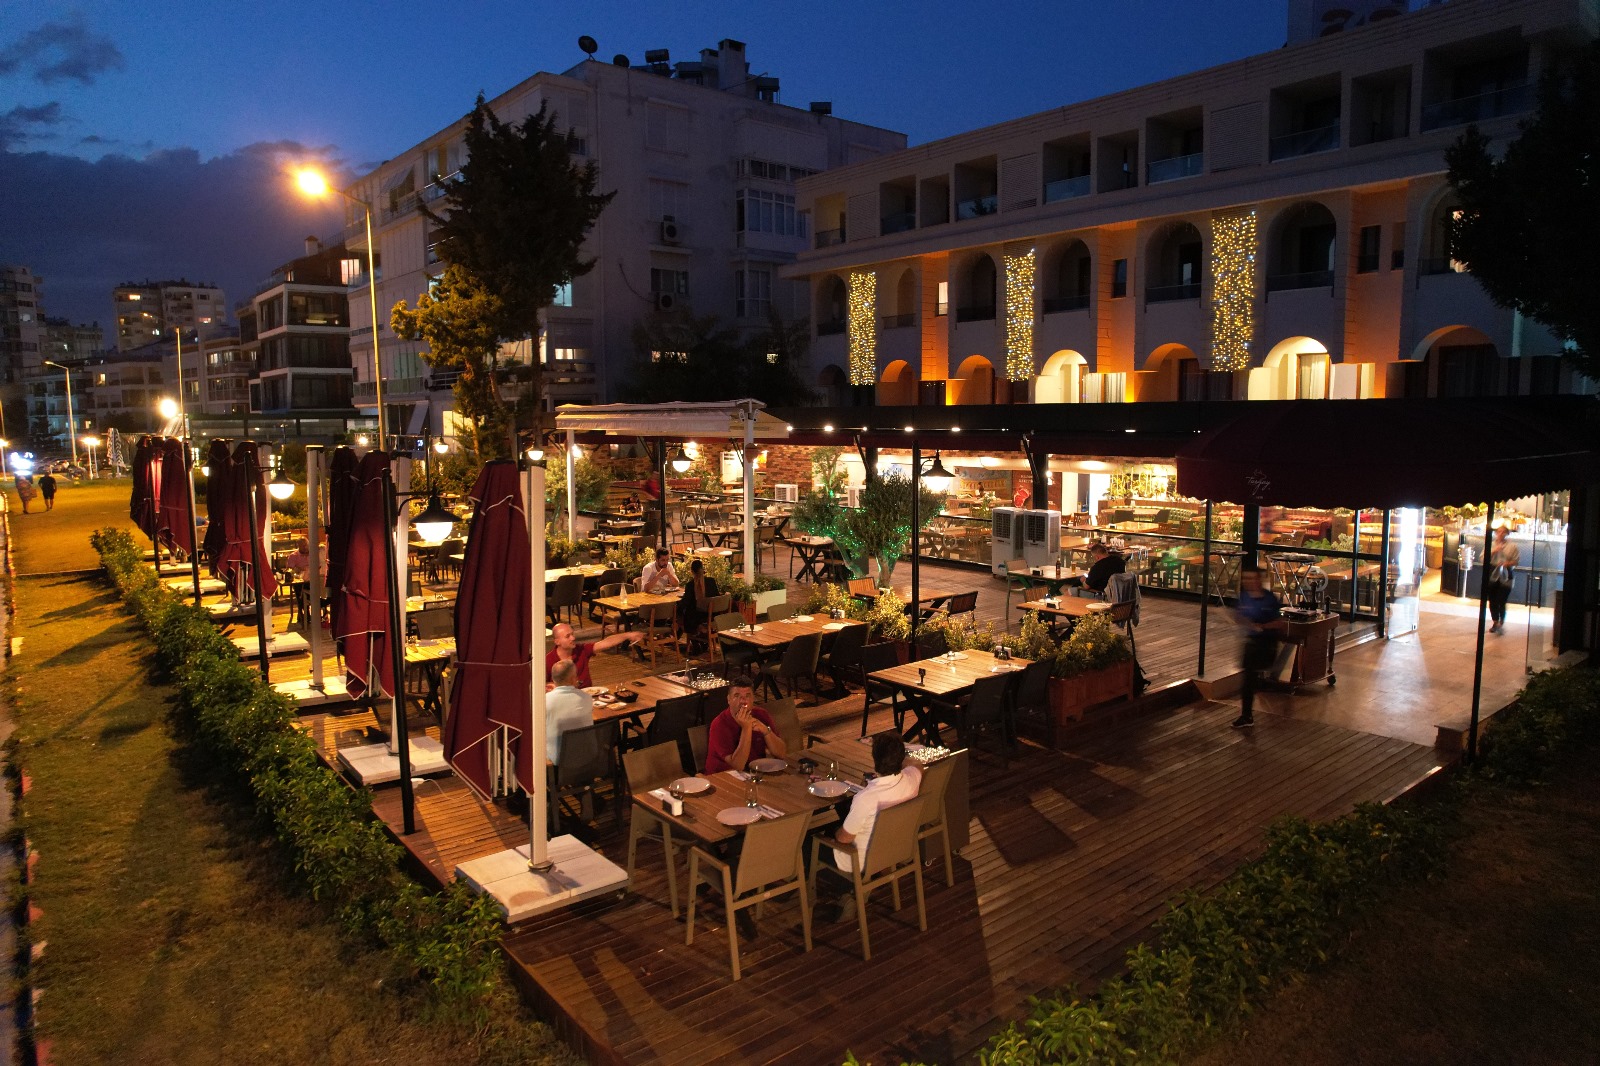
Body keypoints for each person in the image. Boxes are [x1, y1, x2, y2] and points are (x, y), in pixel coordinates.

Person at [1232, 564, 1283, 728]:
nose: (1247, 581)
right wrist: (1242, 621)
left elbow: (1279, 622)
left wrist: (1262, 626)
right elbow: (1239, 616)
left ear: (1259, 580)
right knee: (1248, 678)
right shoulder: (1244, 597)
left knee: (1251, 677)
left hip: (1266, 643)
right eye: (1245, 578)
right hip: (1251, 641)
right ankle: (1246, 715)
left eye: (1251, 578)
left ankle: (1248, 713)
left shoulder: (1270, 599)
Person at [705, 675, 787, 773]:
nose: (743, 701)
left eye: (747, 696)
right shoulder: (719, 724)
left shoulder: (761, 715)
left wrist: (766, 731)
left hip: (753, 772)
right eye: (737, 696)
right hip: (723, 776)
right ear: (728, 699)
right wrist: (746, 728)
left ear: (753, 699)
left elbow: (781, 754)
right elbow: (738, 765)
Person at [545, 620, 645, 688]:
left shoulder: (581, 650)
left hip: (588, 696)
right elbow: (542, 686)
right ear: (557, 641)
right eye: (568, 636)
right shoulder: (548, 660)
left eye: (572, 634)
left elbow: (607, 642)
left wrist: (628, 635)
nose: (573, 638)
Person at [545, 660, 595, 763]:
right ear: (573, 679)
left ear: (553, 679)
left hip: (558, 757)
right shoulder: (586, 698)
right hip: (586, 755)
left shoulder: (545, 700)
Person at [1486, 522, 1519, 635]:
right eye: (1499, 532)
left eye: (1503, 532)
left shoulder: (1512, 546)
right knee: (1492, 599)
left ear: (1507, 534)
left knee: (1502, 599)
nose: (1500, 534)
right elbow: (1483, 558)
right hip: (1493, 573)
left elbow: (1516, 561)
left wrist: (1506, 564)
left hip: (1506, 574)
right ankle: (1495, 622)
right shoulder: (1490, 545)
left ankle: (1501, 621)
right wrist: (1494, 550)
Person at [680, 557, 719, 650]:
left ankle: (697, 639)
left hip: (698, 618)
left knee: (684, 614)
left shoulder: (691, 585)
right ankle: (702, 637)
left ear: (692, 571)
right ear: (703, 568)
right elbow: (717, 597)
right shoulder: (711, 581)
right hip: (713, 615)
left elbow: (686, 602)